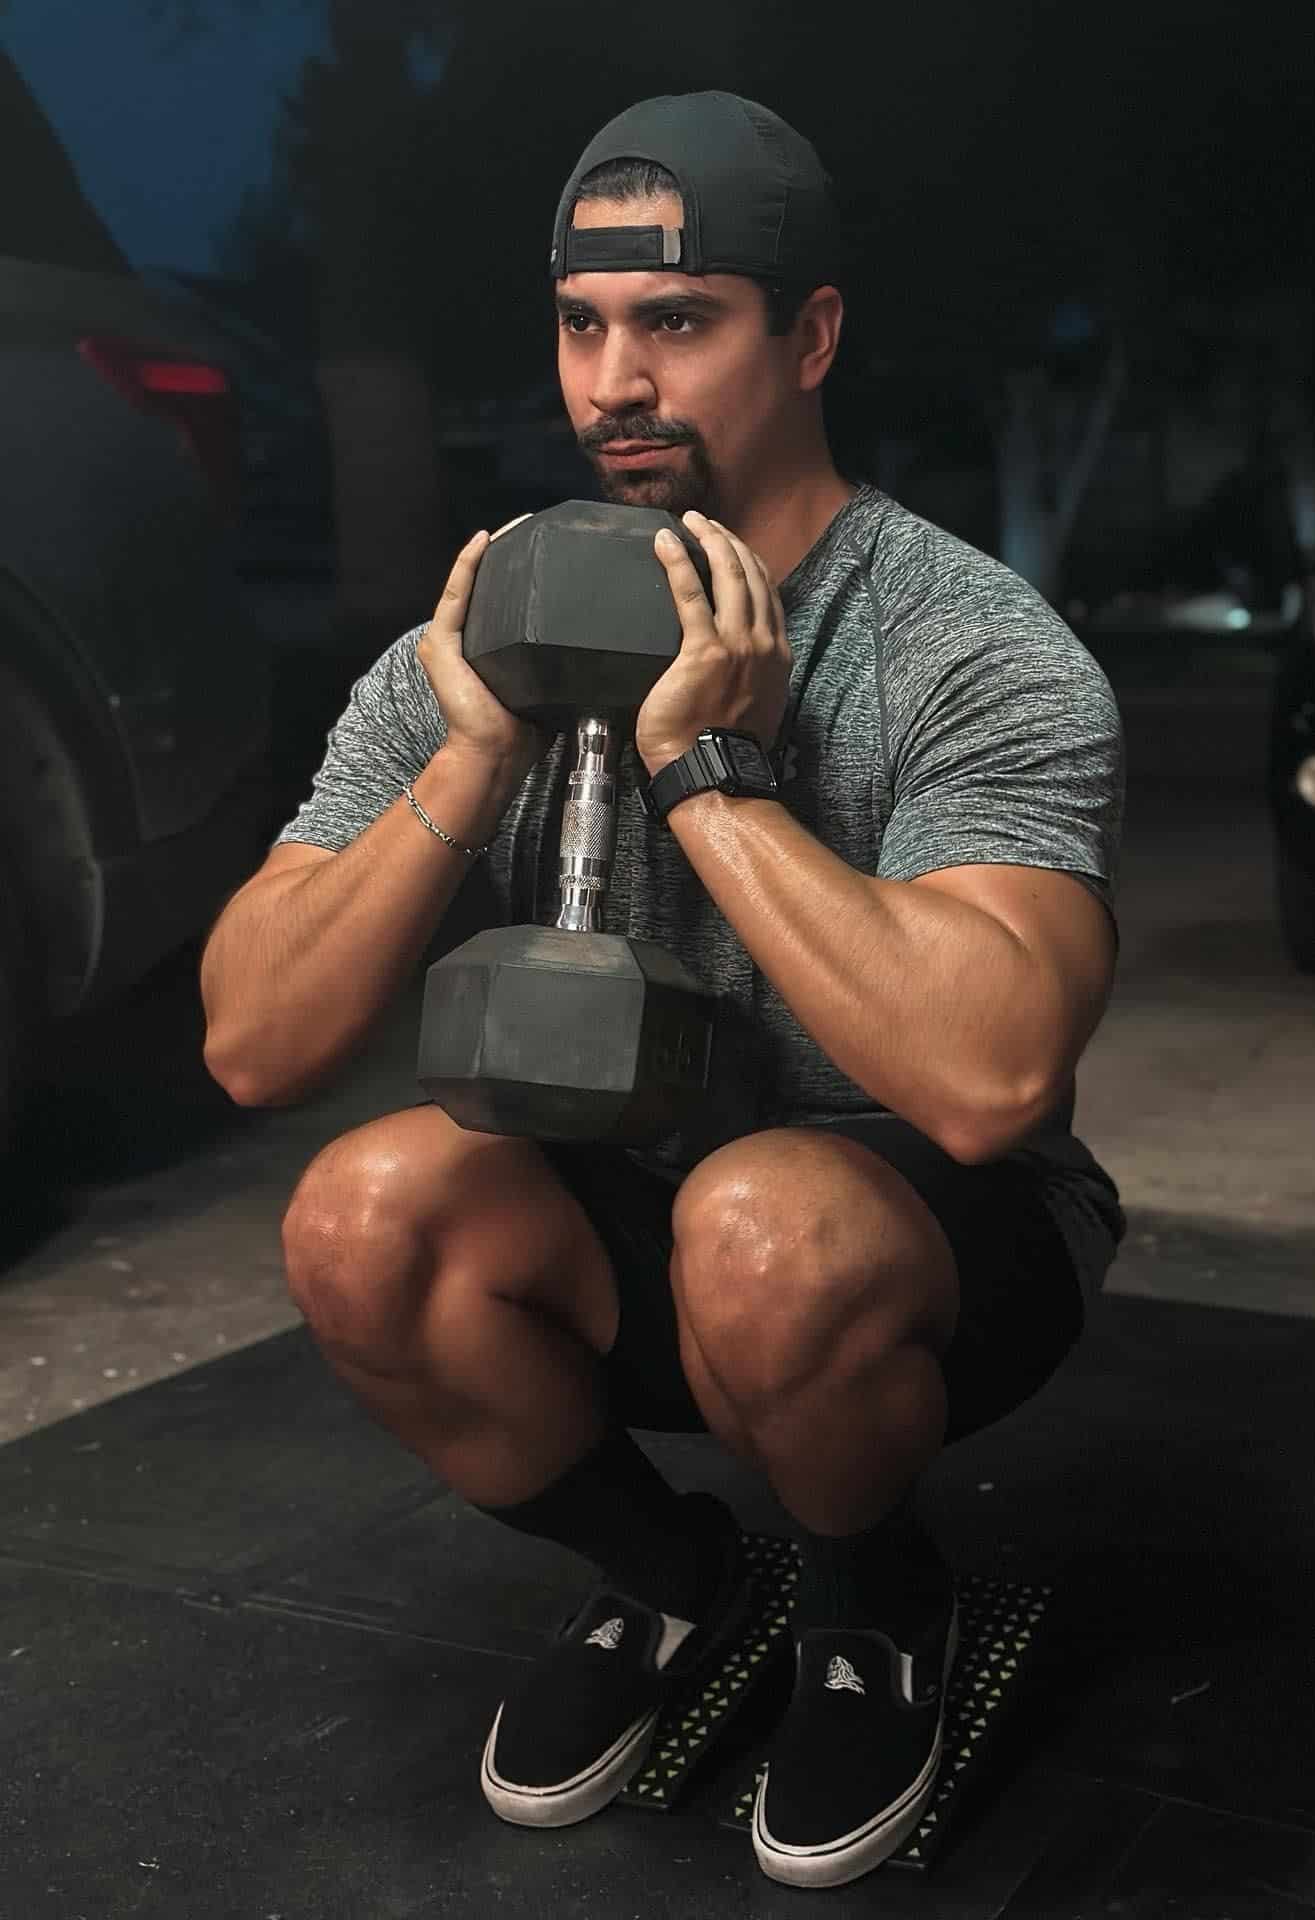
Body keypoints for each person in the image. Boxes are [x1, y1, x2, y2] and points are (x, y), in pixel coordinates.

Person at [200, 90, 1126, 1892]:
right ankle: (680, 1577)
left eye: (678, 322)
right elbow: (253, 1039)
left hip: (920, 1250)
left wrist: (709, 774)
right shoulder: (483, 631)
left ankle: (874, 1598)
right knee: (363, 1215)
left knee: (764, 1223)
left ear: (812, 333)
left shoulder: (965, 644)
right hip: (634, 1223)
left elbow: (995, 1079)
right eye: (582, 323)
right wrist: (462, 767)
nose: (615, 381)